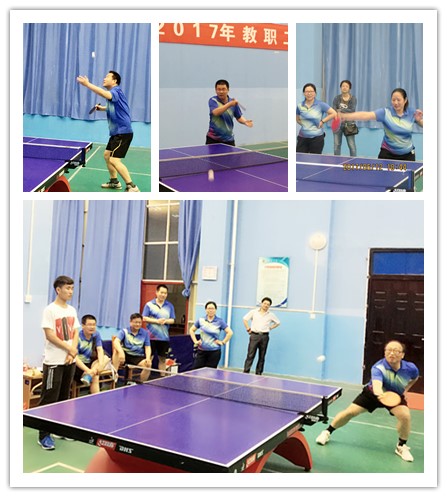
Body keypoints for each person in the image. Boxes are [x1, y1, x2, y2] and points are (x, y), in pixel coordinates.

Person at [315, 340, 419, 462]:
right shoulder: (378, 367)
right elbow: (377, 385)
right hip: (373, 394)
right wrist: (380, 394)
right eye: (389, 350)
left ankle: (401, 446)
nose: (391, 353)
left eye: (396, 351)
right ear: (385, 353)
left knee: (405, 416)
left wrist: (405, 390)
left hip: (395, 395)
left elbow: (415, 378)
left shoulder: (411, 368)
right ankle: (327, 432)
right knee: (349, 412)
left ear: (402, 355)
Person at [76, 70, 140, 192]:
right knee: (107, 155)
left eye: (107, 77)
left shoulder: (116, 91)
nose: (104, 79)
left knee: (114, 160)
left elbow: (104, 94)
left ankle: (132, 187)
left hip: (123, 132)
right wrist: (102, 108)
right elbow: (115, 107)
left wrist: (87, 84)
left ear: (114, 81)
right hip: (116, 132)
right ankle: (114, 182)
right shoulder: (114, 95)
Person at [38, 275, 80, 450]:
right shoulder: (50, 310)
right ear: (58, 290)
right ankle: (44, 435)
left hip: (69, 361)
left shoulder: (72, 310)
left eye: (72, 288)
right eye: (67, 288)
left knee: (64, 399)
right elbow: (50, 335)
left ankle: (59, 430)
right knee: (49, 398)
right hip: (54, 361)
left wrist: (72, 351)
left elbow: (75, 332)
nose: (70, 291)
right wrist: (69, 348)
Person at [339, 88, 423, 161]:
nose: (396, 102)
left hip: (408, 156)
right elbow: (365, 115)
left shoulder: (412, 112)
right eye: (393, 100)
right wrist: (345, 116)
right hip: (388, 154)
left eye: (398, 100)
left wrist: (419, 121)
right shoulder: (385, 113)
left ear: (405, 100)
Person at [206, 79, 253, 146]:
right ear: (215, 90)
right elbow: (216, 112)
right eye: (219, 89)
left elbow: (239, 117)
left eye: (223, 89)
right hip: (213, 139)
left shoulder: (233, 103)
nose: (221, 91)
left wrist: (245, 121)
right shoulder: (213, 100)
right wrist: (229, 104)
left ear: (228, 90)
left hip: (229, 140)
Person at [142, 284, 176, 374]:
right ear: (157, 292)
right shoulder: (149, 305)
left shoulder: (170, 306)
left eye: (165, 293)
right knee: (149, 359)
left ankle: (162, 378)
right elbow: (144, 318)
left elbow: (172, 320)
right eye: (161, 292)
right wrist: (157, 321)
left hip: (164, 338)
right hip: (150, 338)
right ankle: (144, 379)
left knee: (163, 360)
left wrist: (165, 321)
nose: (163, 295)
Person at [189, 301, 233, 369]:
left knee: (211, 372)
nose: (210, 310)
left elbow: (230, 332)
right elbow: (191, 330)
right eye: (209, 308)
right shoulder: (201, 320)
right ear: (206, 309)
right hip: (201, 351)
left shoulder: (220, 321)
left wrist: (223, 342)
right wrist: (195, 341)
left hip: (214, 352)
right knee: (196, 370)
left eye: (212, 308)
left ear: (215, 310)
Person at [243, 297, 280, 375]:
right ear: (261, 303)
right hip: (254, 335)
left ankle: (259, 373)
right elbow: (245, 319)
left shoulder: (271, 315)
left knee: (262, 356)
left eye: (268, 304)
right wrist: (248, 329)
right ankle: (246, 372)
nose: (266, 305)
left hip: (264, 336)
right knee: (250, 355)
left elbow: (278, 323)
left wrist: (270, 328)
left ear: (269, 306)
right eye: (265, 303)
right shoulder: (254, 312)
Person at [74, 314, 110, 394]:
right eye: (89, 325)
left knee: (105, 358)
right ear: (83, 326)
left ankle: (89, 376)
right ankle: (96, 397)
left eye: (94, 325)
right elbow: (75, 358)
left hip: (91, 364)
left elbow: (100, 349)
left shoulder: (96, 334)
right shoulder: (77, 337)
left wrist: (100, 365)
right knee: (95, 376)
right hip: (79, 366)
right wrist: (88, 370)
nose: (92, 327)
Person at [296, 83, 337, 154]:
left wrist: (322, 121)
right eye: (307, 91)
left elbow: (334, 113)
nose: (309, 93)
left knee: (315, 158)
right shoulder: (300, 105)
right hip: (302, 137)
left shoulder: (320, 104)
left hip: (317, 138)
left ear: (315, 93)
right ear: (304, 93)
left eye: (311, 91)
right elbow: (297, 119)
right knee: (299, 157)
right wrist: (306, 125)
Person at [112, 313, 152, 382]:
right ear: (130, 322)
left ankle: (142, 383)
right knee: (116, 352)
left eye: (139, 322)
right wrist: (121, 353)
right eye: (136, 322)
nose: (138, 324)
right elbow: (116, 341)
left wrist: (148, 358)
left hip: (137, 356)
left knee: (148, 365)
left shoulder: (145, 333)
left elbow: (147, 347)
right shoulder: (124, 331)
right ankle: (114, 375)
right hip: (125, 355)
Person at [332, 80, 357, 157]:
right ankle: (336, 161)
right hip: (338, 123)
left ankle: (353, 161)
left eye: (346, 86)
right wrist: (340, 111)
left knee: (351, 145)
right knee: (336, 145)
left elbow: (352, 110)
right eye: (343, 86)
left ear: (349, 88)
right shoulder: (336, 98)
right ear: (340, 87)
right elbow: (333, 109)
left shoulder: (353, 98)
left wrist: (340, 110)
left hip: (349, 124)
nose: (344, 87)